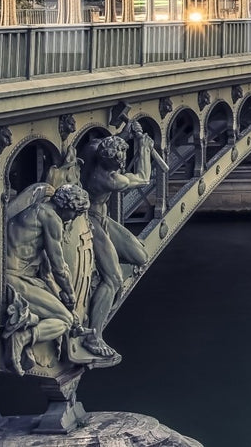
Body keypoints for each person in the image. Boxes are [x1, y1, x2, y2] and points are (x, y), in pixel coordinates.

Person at [80, 123, 154, 358]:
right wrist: (143, 148)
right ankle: (94, 334)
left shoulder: (92, 149)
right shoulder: (111, 180)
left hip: (101, 216)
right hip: (89, 221)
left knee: (141, 256)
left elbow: (110, 143)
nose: (121, 165)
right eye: (118, 164)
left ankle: (97, 283)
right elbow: (142, 179)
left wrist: (123, 136)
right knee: (113, 279)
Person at [2, 183, 91, 372]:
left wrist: (61, 298)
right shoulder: (51, 218)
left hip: (11, 276)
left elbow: (47, 274)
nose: (73, 219)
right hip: (14, 280)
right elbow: (59, 267)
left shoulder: (33, 211)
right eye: (76, 214)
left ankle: (28, 338)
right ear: (69, 207)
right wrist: (71, 294)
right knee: (65, 320)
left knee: (65, 314)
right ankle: (22, 338)